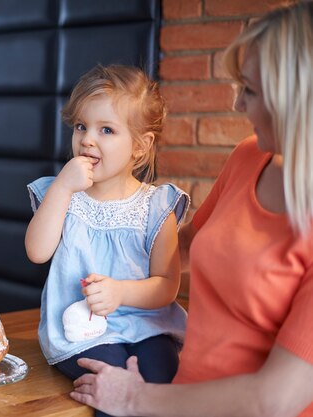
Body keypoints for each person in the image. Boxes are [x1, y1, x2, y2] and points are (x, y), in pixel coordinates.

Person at [69, 3, 313, 416]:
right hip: (176, 396)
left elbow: (273, 399)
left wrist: (134, 398)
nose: (238, 106)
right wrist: (103, 257)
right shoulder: (248, 157)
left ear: (294, 98)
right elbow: (180, 247)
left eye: (249, 91)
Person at [25, 64, 189, 416]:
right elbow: (37, 252)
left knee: (162, 380)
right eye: (81, 126)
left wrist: (120, 293)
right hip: (84, 334)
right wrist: (63, 188)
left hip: (148, 327)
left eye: (107, 130)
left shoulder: (157, 207)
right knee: (110, 382)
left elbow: (166, 285)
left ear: (139, 148)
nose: (87, 139)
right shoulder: (63, 194)